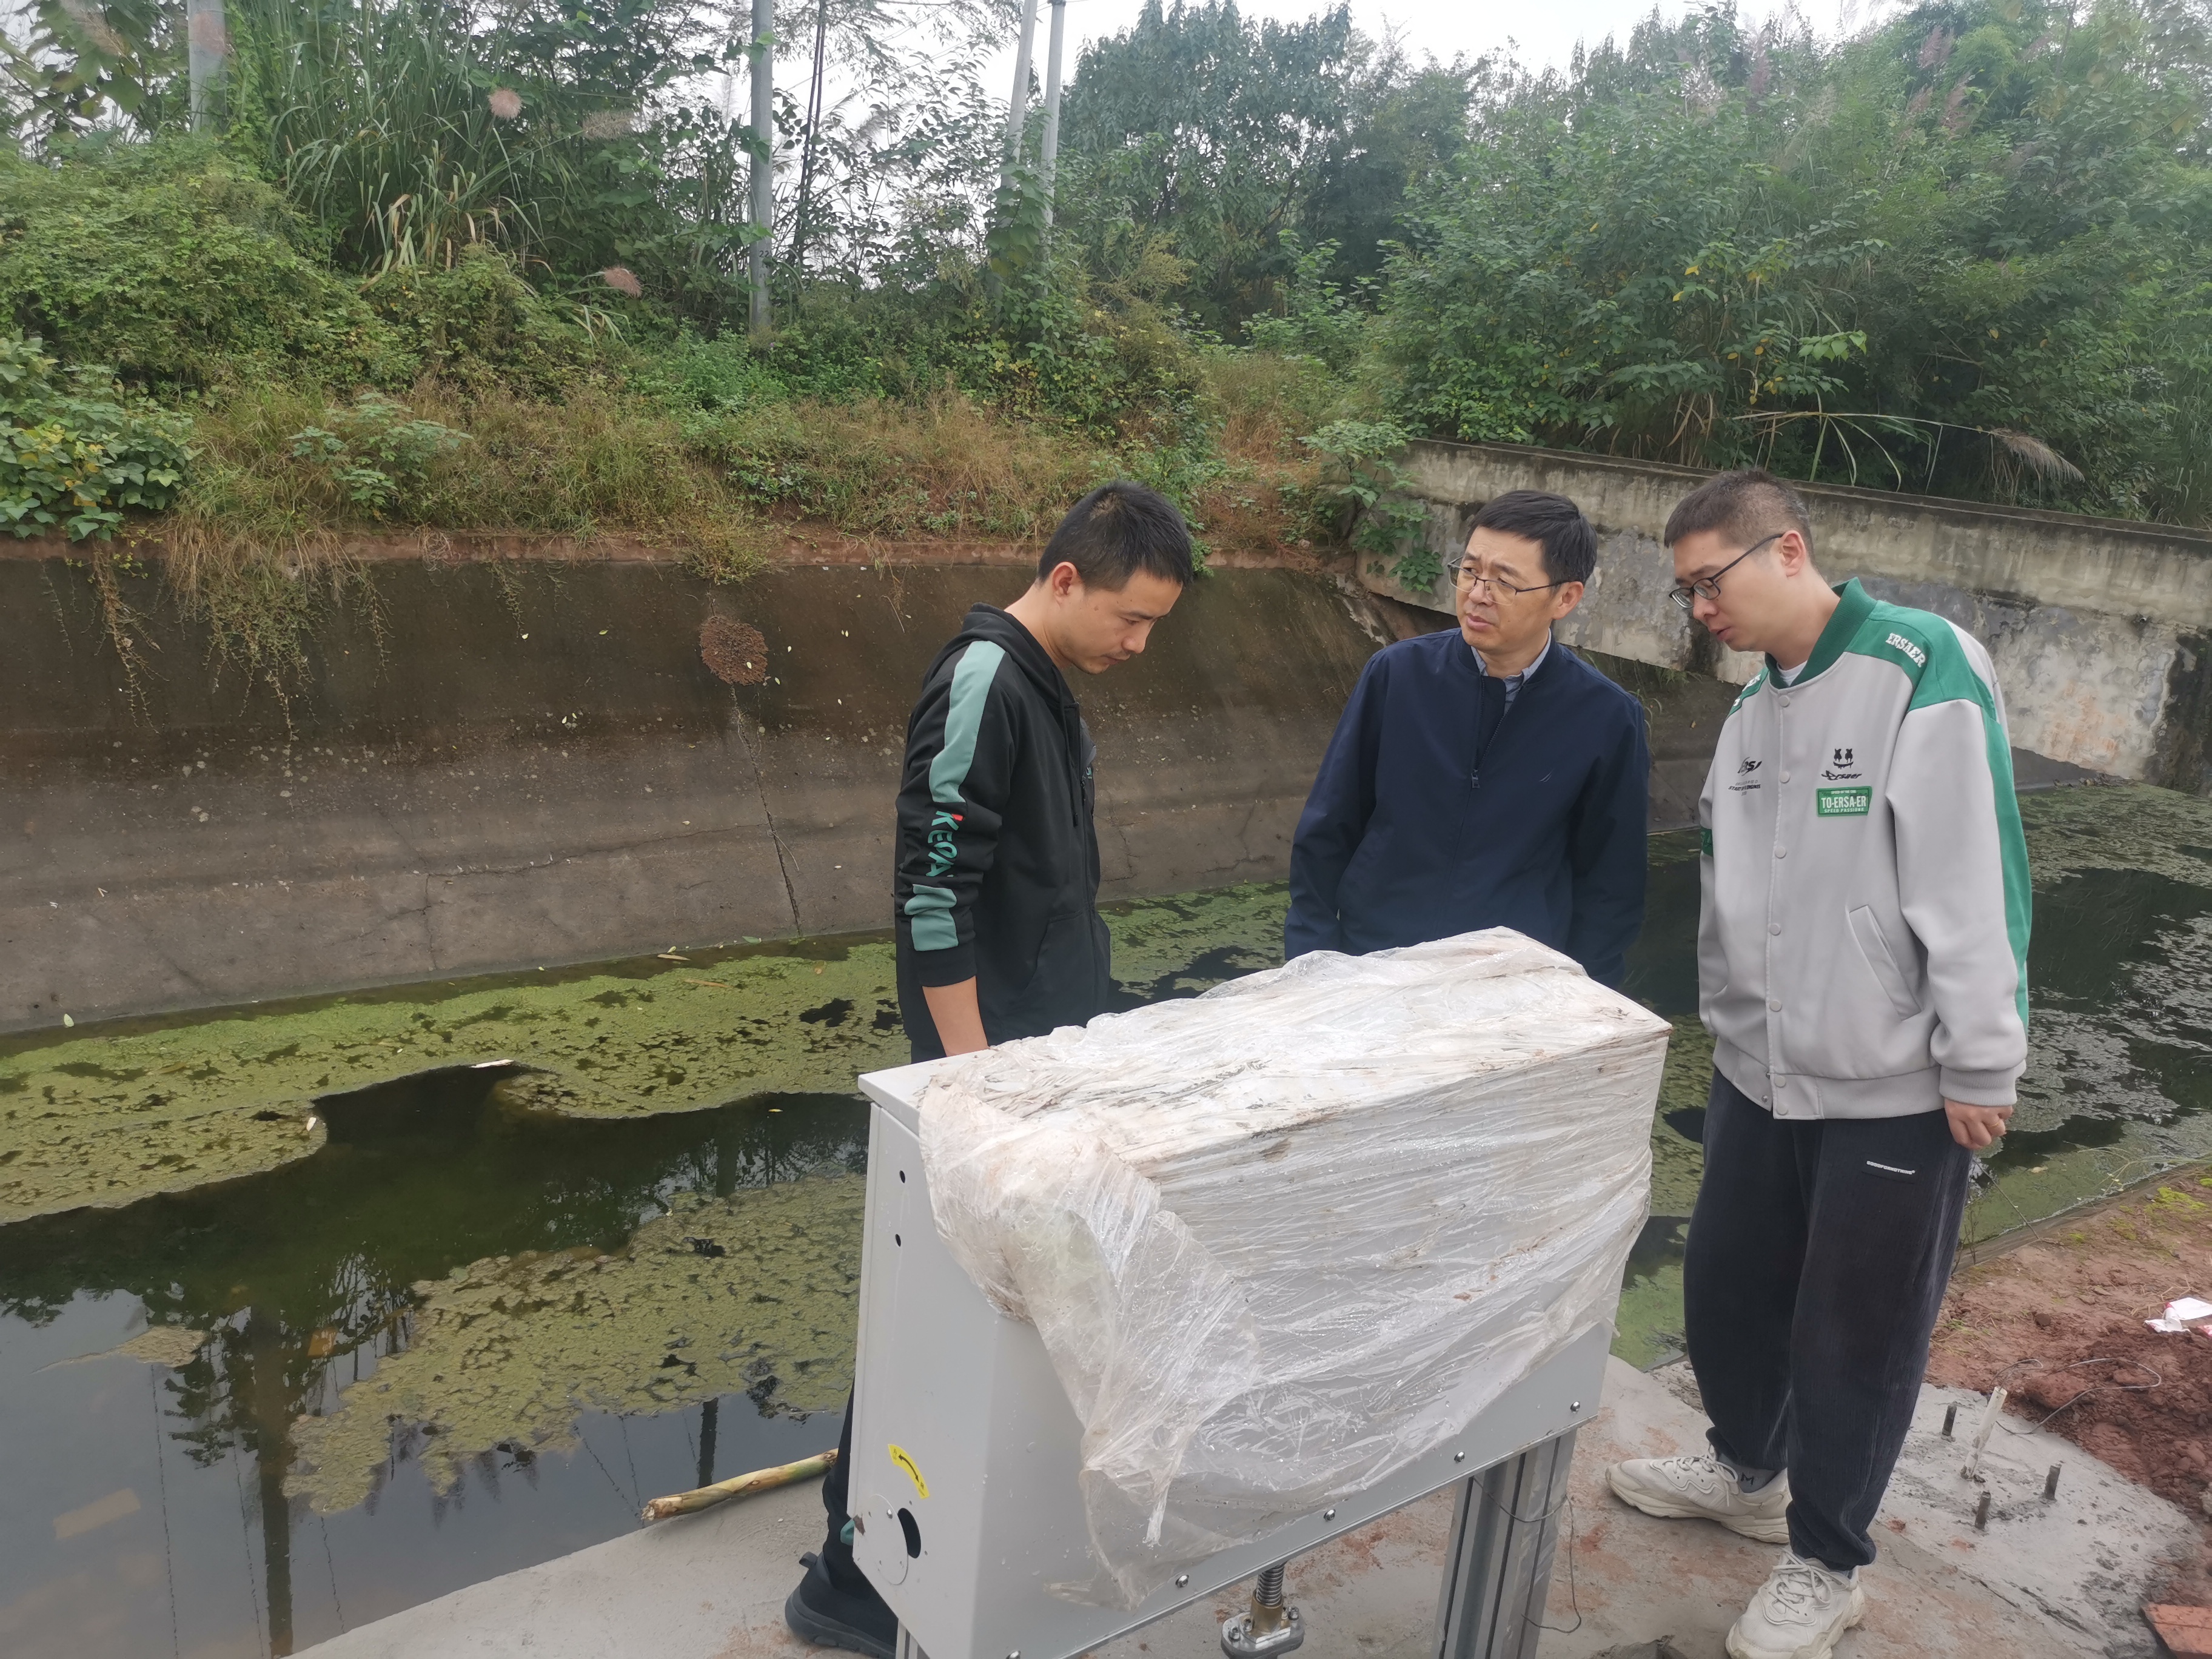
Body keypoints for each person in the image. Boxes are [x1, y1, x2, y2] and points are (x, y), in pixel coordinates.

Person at [1606, 469, 2029, 1659]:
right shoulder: (1754, 710)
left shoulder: (1917, 667)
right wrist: (1728, 1036)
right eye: (1686, 592)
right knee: (1728, 1285)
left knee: (1856, 1331)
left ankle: (1826, 1560)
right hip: (1759, 1073)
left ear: (1785, 550)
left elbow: (1972, 875)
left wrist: (1980, 1059)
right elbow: (1734, 900)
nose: (1699, 610)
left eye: (1710, 583)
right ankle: (1747, 1470)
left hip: (1894, 1085)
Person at [783, 480, 1195, 1658]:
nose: (1139, 643)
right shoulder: (983, 681)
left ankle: (946, 1542)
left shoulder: (1046, 684)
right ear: (1065, 580)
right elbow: (932, 891)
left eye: (1155, 625)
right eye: (1130, 617)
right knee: (936, 1318)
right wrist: (972, 1088)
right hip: (985, 1081)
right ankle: (852, 1578)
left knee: (993, 1313)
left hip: (1039, 1060)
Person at [1284, 488, 1649, 985]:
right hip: (1374, 965)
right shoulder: (1397, 675)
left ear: (1565, 597)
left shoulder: (1606, 716)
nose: (1478, 593)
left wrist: (1586, 999)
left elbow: (1611, 886)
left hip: (1511, 985)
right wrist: (1310, 964)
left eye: (1505, 582)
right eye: (1471, 571)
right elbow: (1329, 827)